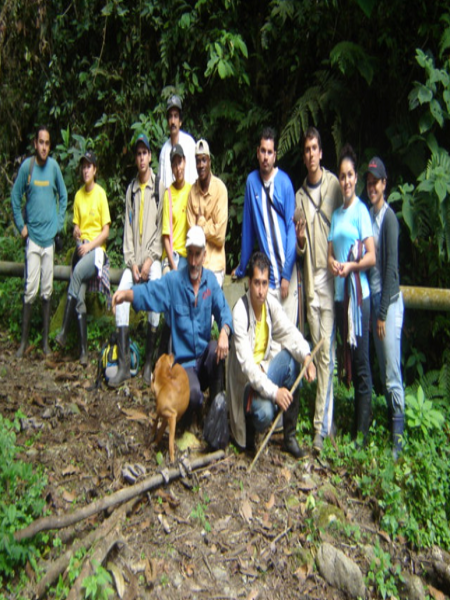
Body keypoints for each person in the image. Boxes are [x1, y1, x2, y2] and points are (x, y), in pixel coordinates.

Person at [112, 226, 233, 417]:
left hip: (203, 358)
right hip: (184, 366)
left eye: (198, 254)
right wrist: (126, 294)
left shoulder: (210, 281)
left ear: (204, 255)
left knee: (215, 350)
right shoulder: (174, 281)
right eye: (190, 254)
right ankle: (191, 415)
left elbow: (223, 309)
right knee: (193, 396)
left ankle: (215, 410)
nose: (193, 261)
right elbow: (150, 293)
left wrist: (224, 331)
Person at [227, 252, 316, 458]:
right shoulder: (240, 312)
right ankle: (250, 426)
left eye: (264, 284)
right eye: (256, 283)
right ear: (249, 283)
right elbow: (248, 368)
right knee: (265, 413)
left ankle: (289, 437)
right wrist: (276, 393)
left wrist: (307, 356)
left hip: (264, 372)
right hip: (246, 383)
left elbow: (289, 331)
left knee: (293, 361)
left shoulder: (270, 304)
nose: (260, 290)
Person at [295, 127, 342, 452]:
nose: (311, 154)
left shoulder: (334, 186)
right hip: (311, 285)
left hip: (332, 284)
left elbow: (347, 222)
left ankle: (319, 429)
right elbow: (300, 250)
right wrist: (300, 241)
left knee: (324, 355)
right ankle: (328, 419)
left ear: (321, 153)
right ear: (304, 156)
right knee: (322, 353)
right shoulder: (299, 197)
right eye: (307, 149)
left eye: (315, 148)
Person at [327, 144, 375, 444]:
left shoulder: (361, 212)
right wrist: (334, 263)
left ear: (356, 178)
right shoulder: (336, 215)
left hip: (359, 299)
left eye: (349, 175)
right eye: (342, 176)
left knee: (360, 363)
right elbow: (331, 253)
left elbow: (371, 255)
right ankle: (353, 425)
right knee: (346, 359)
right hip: (340, 297)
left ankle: (362, 434)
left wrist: (351, 266)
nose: (345, 181)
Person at [108, 133, 163, 387]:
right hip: (134, 262)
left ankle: (149, 361)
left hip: (153, 261)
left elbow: (162, 229)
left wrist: (149, 262)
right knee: (120, 296)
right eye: (138, 154)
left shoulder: (159, 187)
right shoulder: (131, 190)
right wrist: (131, 263)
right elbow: (128, 231)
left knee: (156, 293)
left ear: (150, 156)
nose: (141, 158)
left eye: (145, 153)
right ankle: (122, 366)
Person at [11, 126, 68, 358]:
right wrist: (21, 226)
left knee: (47, 290)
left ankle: (45, 343)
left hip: (49, 239)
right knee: (30, 290)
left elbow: (63, 195)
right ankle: (23, 342)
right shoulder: (28, 167)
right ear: (35, 144)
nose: (44, 147)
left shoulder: (54, 168)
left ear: (49, 146)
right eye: (40, 142)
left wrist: (59, 223)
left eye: (47, 143)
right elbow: (15, 198)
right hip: (33, 239)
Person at [232, 127, 298, 324]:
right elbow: (248, 230)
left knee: (289, 334)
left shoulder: (284, 183)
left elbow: (291, 229)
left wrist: (287, 275)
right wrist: (242, 268)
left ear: (275, 155)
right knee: (268, 335)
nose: (265, 157)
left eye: (269, 152)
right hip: (267, 280)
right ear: (257, 152)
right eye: (263, 151)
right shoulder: (252, 182)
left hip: (287, 276)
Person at [56, 151, 111, 365]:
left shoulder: (101, 194)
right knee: (79, 296)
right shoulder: (79, 196)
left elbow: (106, 232)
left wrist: (89, 245)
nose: (85, 170)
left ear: (95, 170)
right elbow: (76, 226)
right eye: (84, 167)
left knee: (77, 273)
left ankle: (63, 330)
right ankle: (83, 352)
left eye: (89, 166)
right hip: (81, 249)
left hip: (96, 251)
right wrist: (76, 232)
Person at [366, 156, 404, 459]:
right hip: (374, 298)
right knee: (382, 368)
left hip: (388, 303)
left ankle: (398, 439)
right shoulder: (369, 215)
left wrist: (381, 315)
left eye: (376, 182)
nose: (372, 187)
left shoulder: (389, 218)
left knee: (391, 371)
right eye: (369, 183)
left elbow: (391, 269)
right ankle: (390, 425)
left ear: (384, 184)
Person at [187, 139, 228, 287]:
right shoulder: (192, 193)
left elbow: (220, 236)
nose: (201, 165)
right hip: (196, 264)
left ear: (209, 161)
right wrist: (211, 226)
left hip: (215, 265)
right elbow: (193, 237)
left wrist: (201, 223)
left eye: (204, 160)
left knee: (208, 298)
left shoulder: (220, 190)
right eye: (198, 161)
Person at [162, 143, 191, 274]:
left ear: (184, 162)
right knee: (168, 276)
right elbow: (165, 236)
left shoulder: (191, 191)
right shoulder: (168, 194)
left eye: (179, 162)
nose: (178, 168)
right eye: (174, 165)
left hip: (186, 255)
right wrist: (173, 265)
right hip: (171, 255)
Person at [159, 94, 197, 188]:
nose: (173, 121)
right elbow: (162, 184)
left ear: (180, 121)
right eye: (170, 116)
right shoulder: (164, 151)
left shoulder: (190, 144)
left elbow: (195, 179)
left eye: (176, 116)